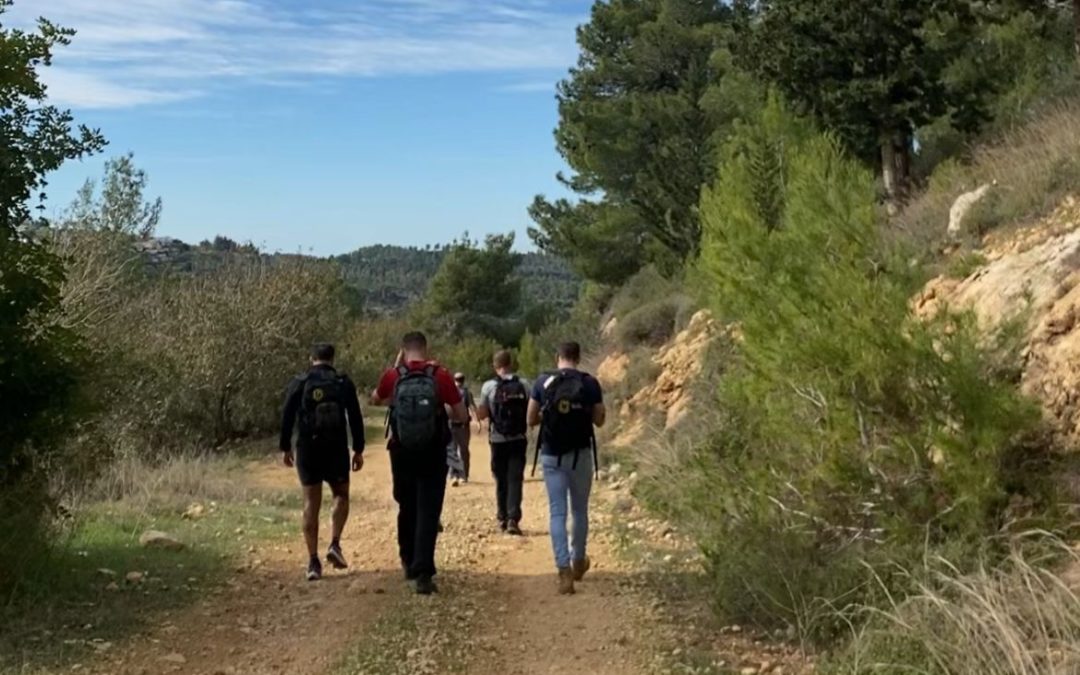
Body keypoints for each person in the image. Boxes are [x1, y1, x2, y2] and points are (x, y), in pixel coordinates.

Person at [370, 332, 467, 595]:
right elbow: (462, 414)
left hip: (401, 450)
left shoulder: (393, 376)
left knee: (407, 504)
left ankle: (407, 561)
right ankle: (424, 571)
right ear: (426, 348)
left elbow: (374, 399)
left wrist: (394, 368)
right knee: (428, 508)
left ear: (403, 350)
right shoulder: (441, 375)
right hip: (433, 450)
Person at [279, 343, 365, 581]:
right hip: (336, 447)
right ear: (332, 358)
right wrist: (358, 448)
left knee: (310, 502)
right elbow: (355, 416)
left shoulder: (301, 381)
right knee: (341, 495)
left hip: (308, 447)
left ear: (311, 357)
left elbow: (287, 414)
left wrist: (285, 446)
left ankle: (313, 562)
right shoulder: (342, 382)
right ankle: (335, 544)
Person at [527, 341, 605, 595]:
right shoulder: (589, 383)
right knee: (580, 510)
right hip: (581, 454)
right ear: (578, 357)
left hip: (551, 455)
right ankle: (579, 560)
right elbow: (600, 419)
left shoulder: (542, 382)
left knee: (557, 513)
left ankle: (563, 571)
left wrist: (550, 415)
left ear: (557, 356)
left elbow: (531, 419)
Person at [476, 350, 530, 536]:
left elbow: (482, 414)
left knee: (501, 478)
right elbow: (530, 410)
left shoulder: (488, 387)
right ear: (511, 364)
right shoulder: (524, 385)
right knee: (515, 478)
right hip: (518, 438)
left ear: (495, 365)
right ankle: (513, 518)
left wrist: (480, 411)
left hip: (497, 439)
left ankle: (502, 517)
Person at [449, 372, 477, 486]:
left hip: (462, 425)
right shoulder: (450, 391)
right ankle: (455, 475)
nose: (459, 381)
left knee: (462, 450)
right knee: (455, 450)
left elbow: (471, 406)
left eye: (460, 379)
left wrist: (477, 420)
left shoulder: (466, 393)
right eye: (457, 379)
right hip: (453, 425)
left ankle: (462, 474)